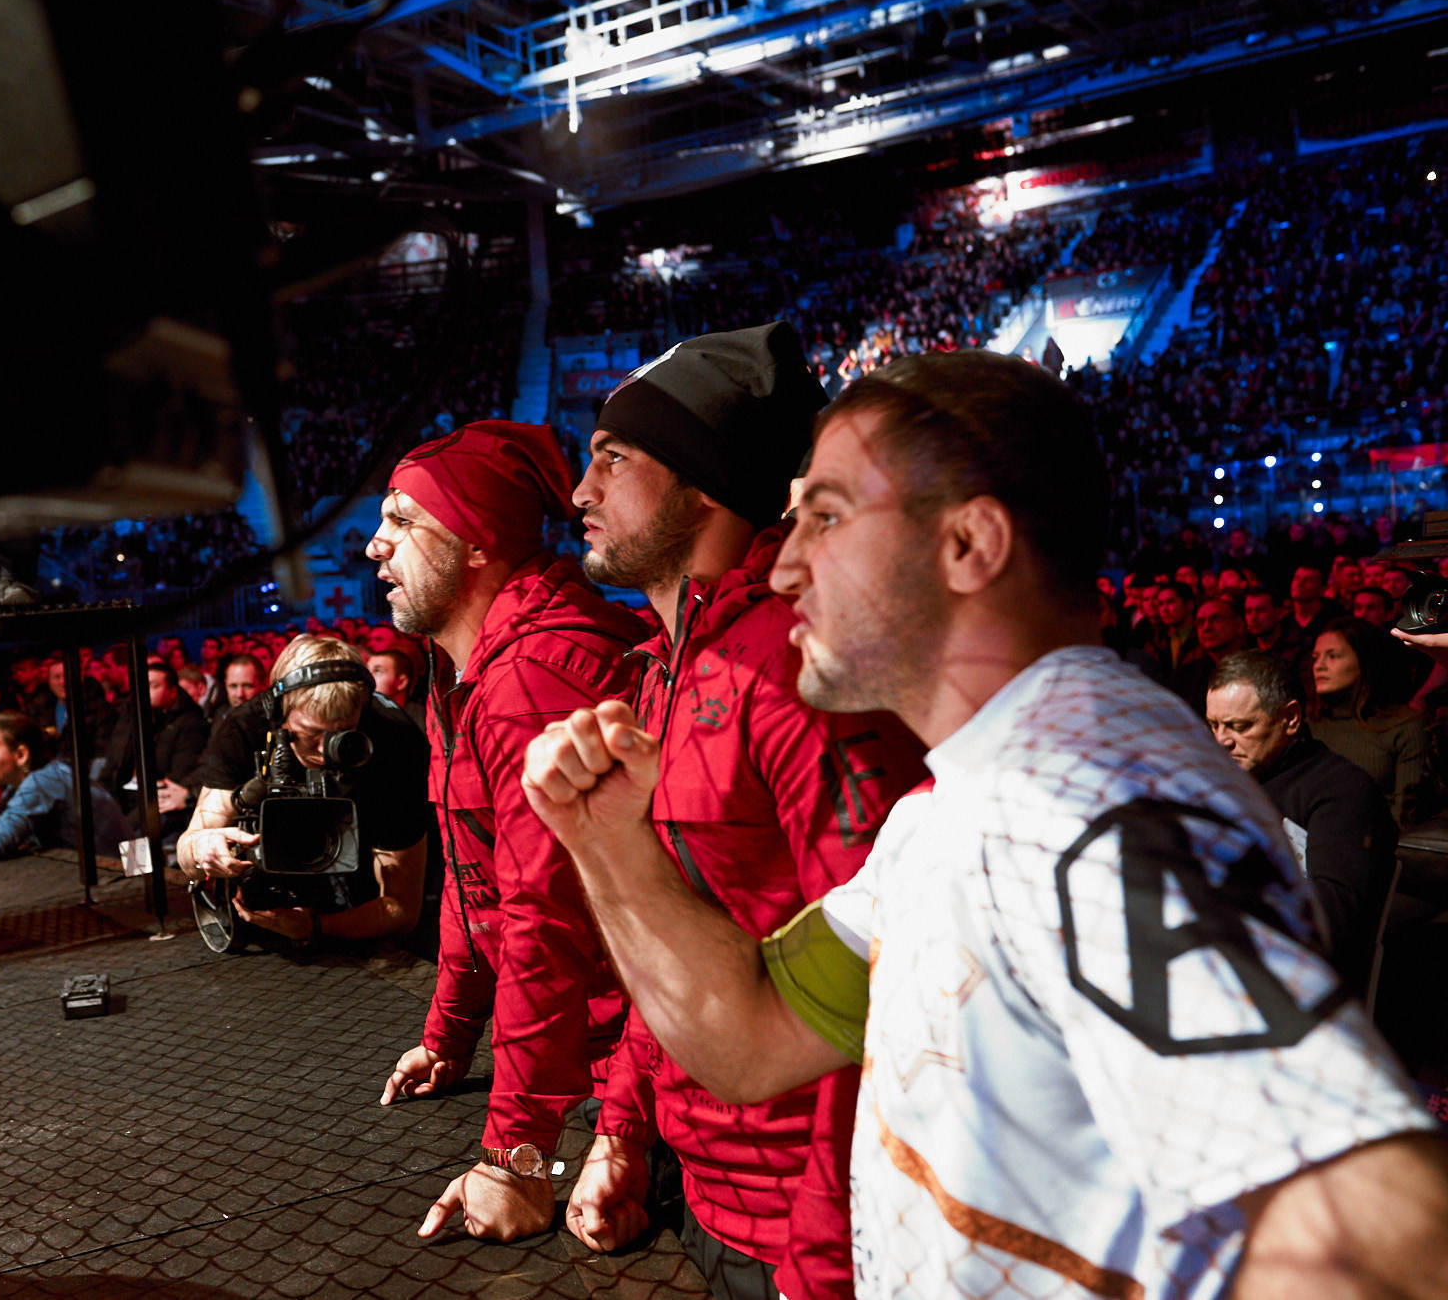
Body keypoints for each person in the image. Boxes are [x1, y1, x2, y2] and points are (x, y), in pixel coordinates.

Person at [522, 349, 1447, 1299]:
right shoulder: (949, 813)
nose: (787, 565)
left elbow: (1379, 1245)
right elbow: (749, 1038)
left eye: (827, 517)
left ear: (969, 545)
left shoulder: (1096, 808)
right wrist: (608, 840)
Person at [563, 323, 928, 1300]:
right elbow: (674, 935)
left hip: (800, 1228)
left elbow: (881, 989)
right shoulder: (665, 672)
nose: (579, 492)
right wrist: (622, 1129)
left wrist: (818, 1261)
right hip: (705, 1190)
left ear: (704, 482)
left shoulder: (794, 666)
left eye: (611, 459)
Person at [368, 421, 647, 1246]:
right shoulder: (467, 674)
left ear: (476, 539)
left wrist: (519, 1158)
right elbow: (472, 878)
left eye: (403, 520)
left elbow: (544, 924)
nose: (376, 545)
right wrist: (449, 1034)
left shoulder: (531, 676)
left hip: (624, 1081)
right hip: (580, 1069)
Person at [176, 636, 429, 943]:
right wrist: (203, 850)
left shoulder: (394, 740)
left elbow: (402, 910)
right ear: (278, 714)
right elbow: (188, 852)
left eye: (341, 737)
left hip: (362, 908)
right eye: (311, 734)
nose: (324, 753)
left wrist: (317, 928)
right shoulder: (242, 730)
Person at [1204, 650, 1398, 995]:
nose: (1222, 741)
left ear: (1290, 718)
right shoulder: (1222, 781)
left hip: (1300, 985)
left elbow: (1334, 917)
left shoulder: (1341, 791)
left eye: (1240, 726)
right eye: (1214, 725)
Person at [0, 710, 130, 863]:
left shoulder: (43, 783)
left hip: (131, 874)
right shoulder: (36, 778)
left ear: (21, 755)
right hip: (124, 866)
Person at [1309, 617, 1429, 826]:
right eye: (1315, 657)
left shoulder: (1404, 726)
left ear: (1363, 661)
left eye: (1333, 656)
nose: (1319, 666)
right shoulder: (1309, 725)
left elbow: (1406, 817)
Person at [100, 659, 210, 848]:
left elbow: (178, 777)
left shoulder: (190, 722)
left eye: (153, 686)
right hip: (131, 791)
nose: (144, 692)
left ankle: (136, 873)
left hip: (164, 799)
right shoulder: (136, 714)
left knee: (130, 832)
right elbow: (116, 760)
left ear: (172, 691)